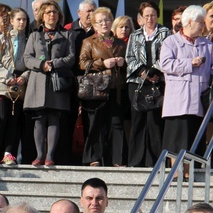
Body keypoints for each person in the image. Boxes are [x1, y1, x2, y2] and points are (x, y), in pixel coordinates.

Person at [23, 0, 75, 167]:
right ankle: (39, 155)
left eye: (54, 12)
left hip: (57, 82)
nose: (52, 15)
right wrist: (41, 65)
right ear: (41, 16)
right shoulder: (34, 35)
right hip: (38, 82)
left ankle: (50, 156)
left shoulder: (67, 35)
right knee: (38, 120)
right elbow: (27, 58)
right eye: (48, 12)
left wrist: (54, 63)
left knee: (54, 119)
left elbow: (71, 57)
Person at [160, 5, 213, 160]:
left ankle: (193, 176)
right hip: (178, 102)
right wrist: (189, 63)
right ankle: (176, 177)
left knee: (195, 143)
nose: (203, 25)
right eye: (200, 22)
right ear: (189, 22)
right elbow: (165, 64)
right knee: (175, 144)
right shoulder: (170, 42)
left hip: (199, 102)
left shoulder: (208, 45)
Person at [79, 7, 128, 167]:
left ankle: (117, 159)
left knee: (116, 123)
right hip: (97, 88)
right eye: (100, 21)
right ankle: (94, 157)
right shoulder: (88, 42)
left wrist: (123, 63)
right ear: (94, 25)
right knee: (96, 124)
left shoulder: (120, 42)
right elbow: (82, 63)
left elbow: (129, 64)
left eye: (107, 19)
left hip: (115, 88)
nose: (104, 23)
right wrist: (102, 63)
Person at [126, 1, 170, 168]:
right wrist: (143, 72)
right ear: (141, 18)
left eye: (152, 15)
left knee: (155, 123)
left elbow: (168, 55)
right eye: (146, 16)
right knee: (137, 122)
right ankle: (135, 162)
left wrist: (155, 71)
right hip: (137, 83)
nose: (150, 19)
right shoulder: (134, 35)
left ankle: (157, 161)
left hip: (157, 82)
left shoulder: (166, 33)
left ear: (157, 16)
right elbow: (129, 58)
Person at [0, 7, 29, 166]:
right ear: (11, 21)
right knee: (1, 118)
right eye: (18, 19)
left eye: (24, 19)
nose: (21, 22)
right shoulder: (3, 38)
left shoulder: (28, 40)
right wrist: (6, 77)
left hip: (19, 85)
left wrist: (24, 77)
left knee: (14, 120)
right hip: (2, 83)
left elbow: (30, 65)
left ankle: (8, 153)